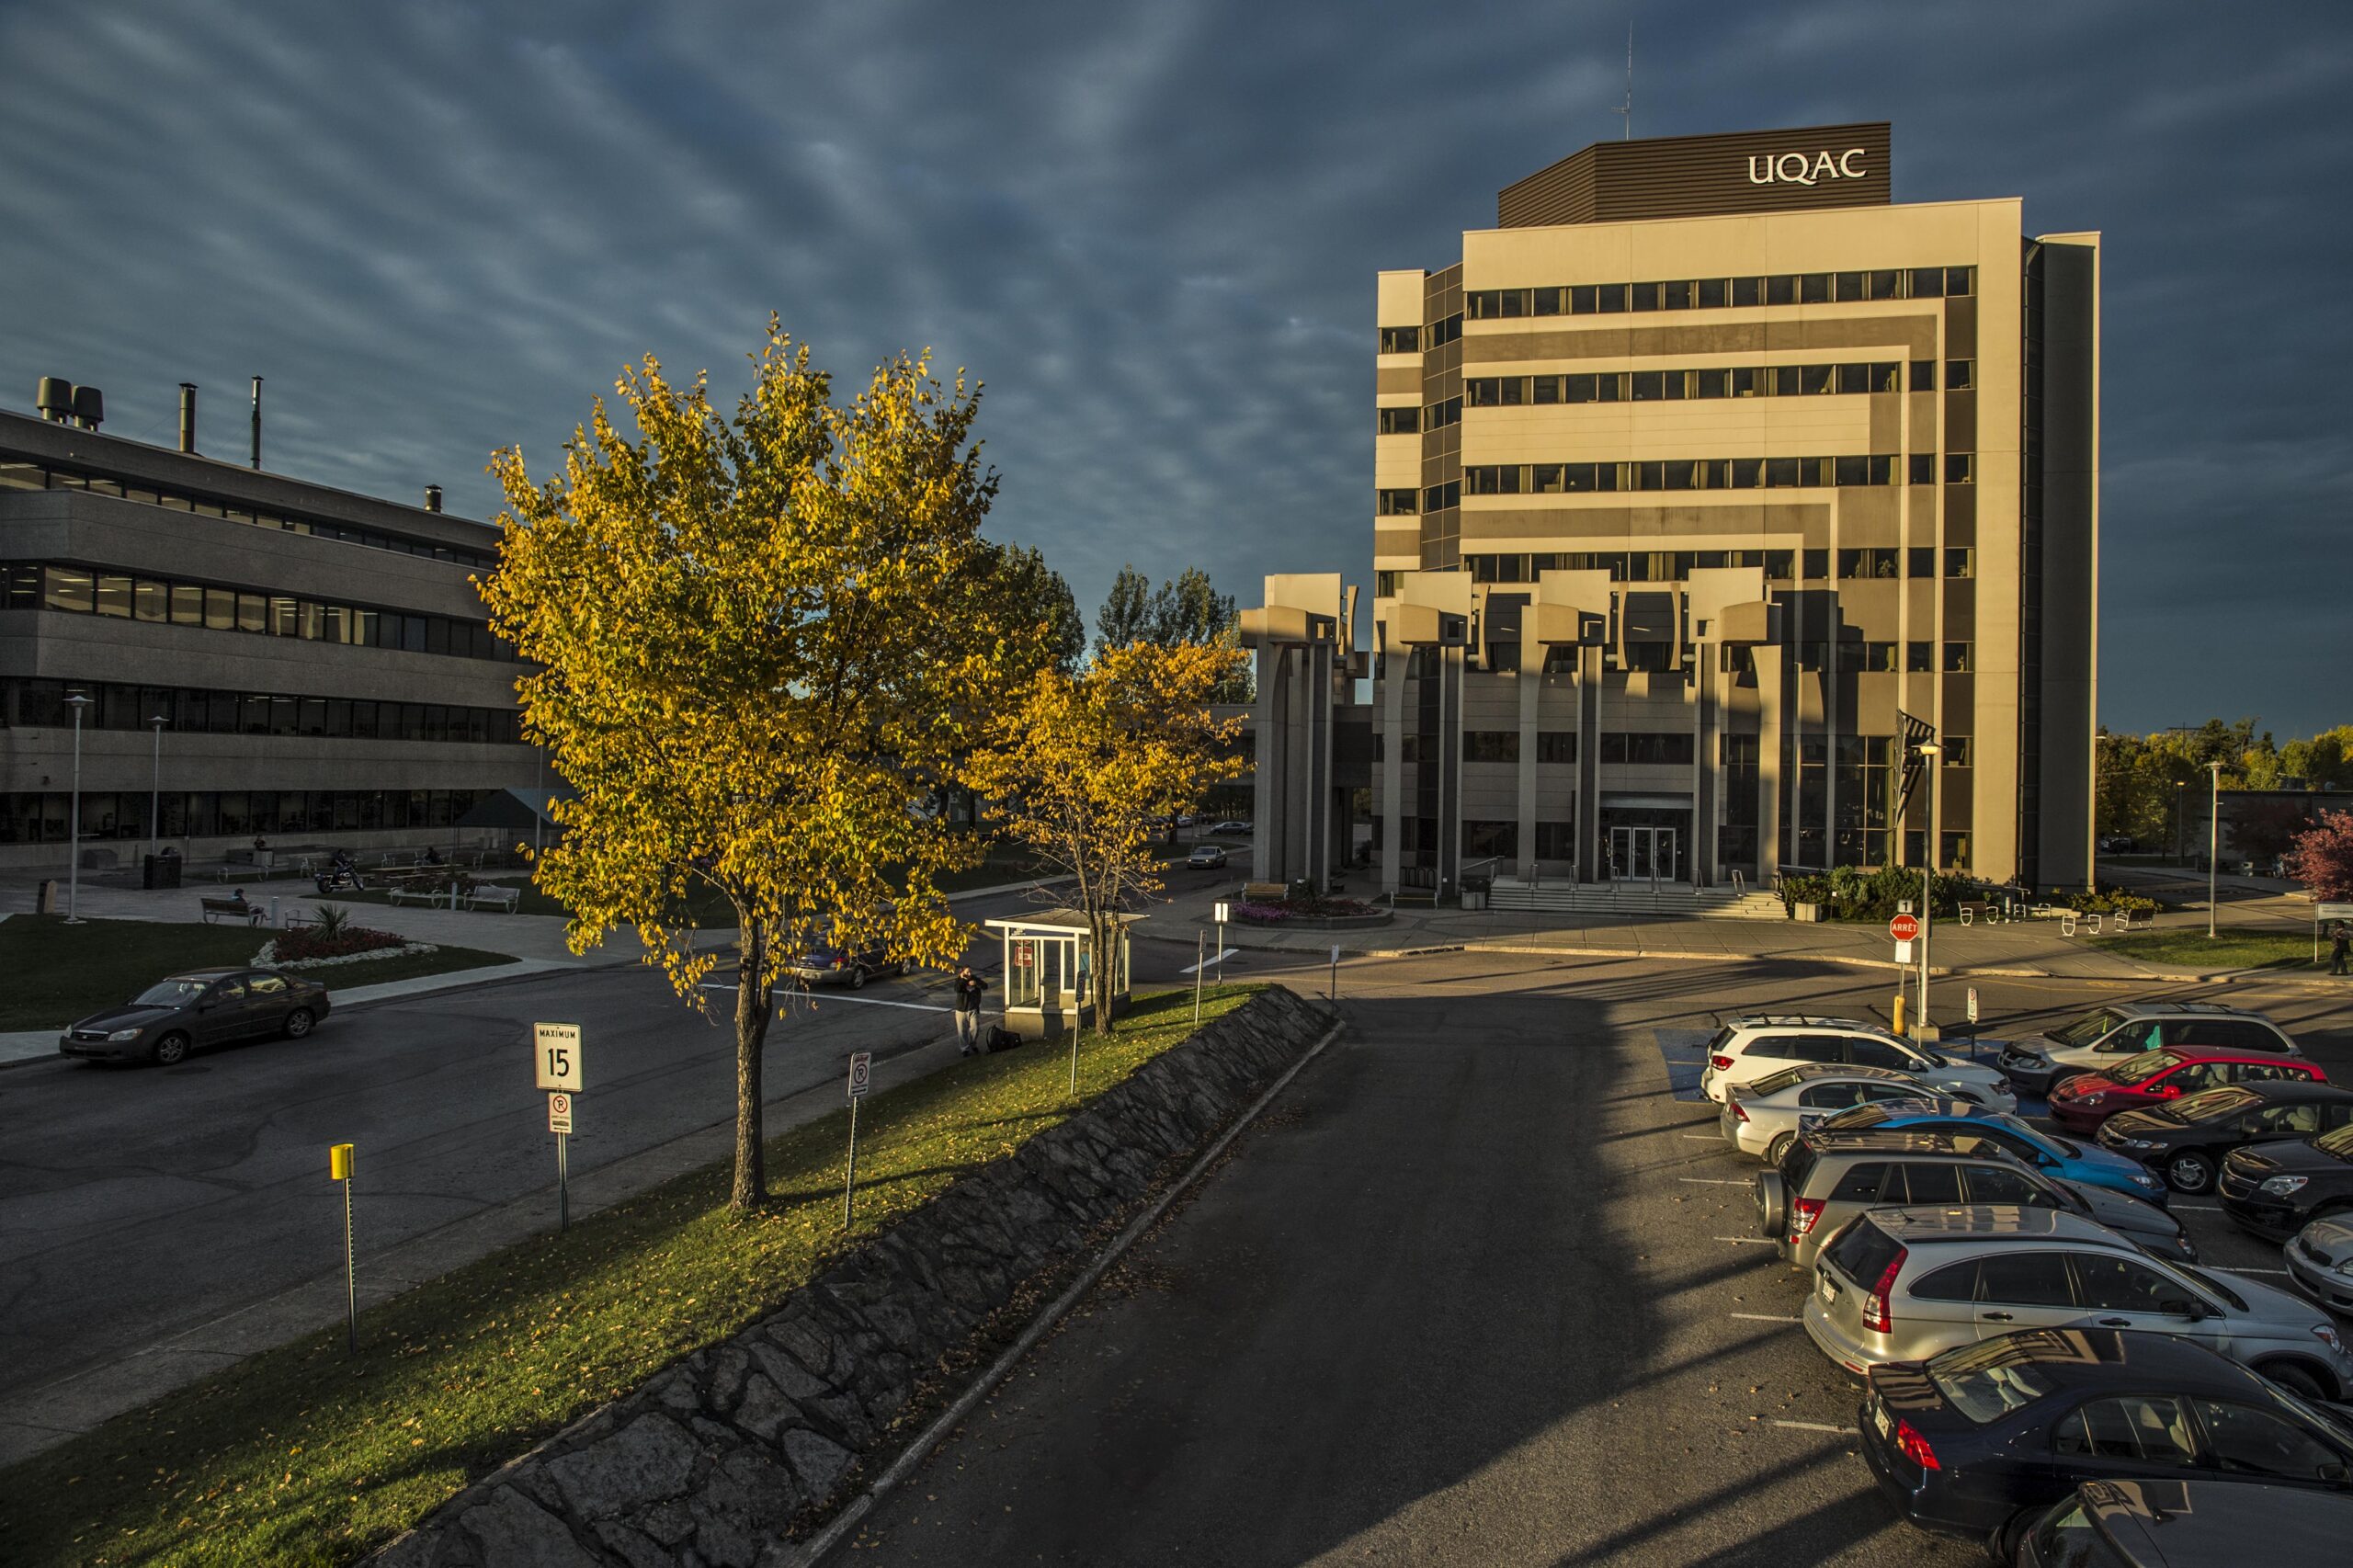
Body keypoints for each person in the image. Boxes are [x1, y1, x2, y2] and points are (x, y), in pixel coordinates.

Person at [952, 965, 986, 1055]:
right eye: (967, 972)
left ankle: (973, 1044)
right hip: (961, 1010)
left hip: (973, 1009)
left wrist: (976, 984)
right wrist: (963, 980)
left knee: (975, 1028)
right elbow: (957, 989)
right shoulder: (959, 981)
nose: (969, 974)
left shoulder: (975, 979)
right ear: (962, 973)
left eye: (970, 972)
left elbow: (985, 986)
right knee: (962, 1031)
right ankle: (965, 1049)